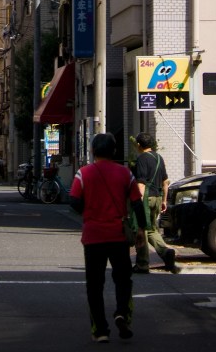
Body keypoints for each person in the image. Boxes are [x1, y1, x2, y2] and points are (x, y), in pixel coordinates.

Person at [69, 132, 146, 343]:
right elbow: (137, 203)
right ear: (114, 151)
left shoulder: (83, 173)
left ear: (93, 151)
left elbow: (74, 201)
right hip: (118, 235)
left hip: (93, 236)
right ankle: (122, 313)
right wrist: (141, 228)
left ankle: (100, 330)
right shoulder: (125, 174)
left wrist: (89, 212)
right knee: (123, 279)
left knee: (94, 284)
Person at [132, 132, 178, 274]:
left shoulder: (142, 159)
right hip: (157, 198)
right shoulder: (159, 158)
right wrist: (164, 200)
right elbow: (165, 182)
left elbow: (141, 182)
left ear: (139, 145)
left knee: (141, 230)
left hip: (146, 198)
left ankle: (142, 264)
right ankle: (166, 252)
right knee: (151, 229)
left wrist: (138, 202)